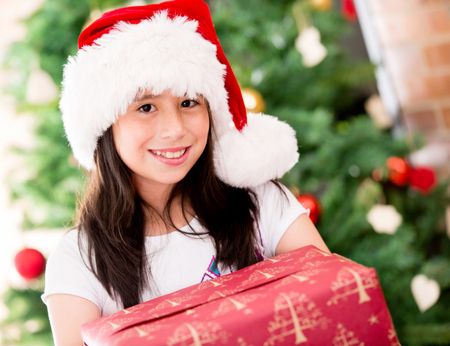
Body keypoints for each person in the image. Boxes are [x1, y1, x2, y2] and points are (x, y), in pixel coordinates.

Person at [41, 0, 330, 344]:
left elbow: (334, 297)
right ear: (105, 127)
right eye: (146, 107)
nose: (175, 129)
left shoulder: (262, 201)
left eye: (188, 102)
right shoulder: (79, 260)